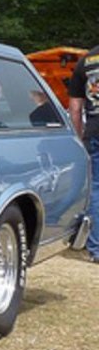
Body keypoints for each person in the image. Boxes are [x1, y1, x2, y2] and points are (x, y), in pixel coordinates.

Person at [67, 46, 99, 263]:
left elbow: (75, 108)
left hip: (95, 131)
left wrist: (78, 140)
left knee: (95, 188)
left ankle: (96, 248)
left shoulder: (86, 61)